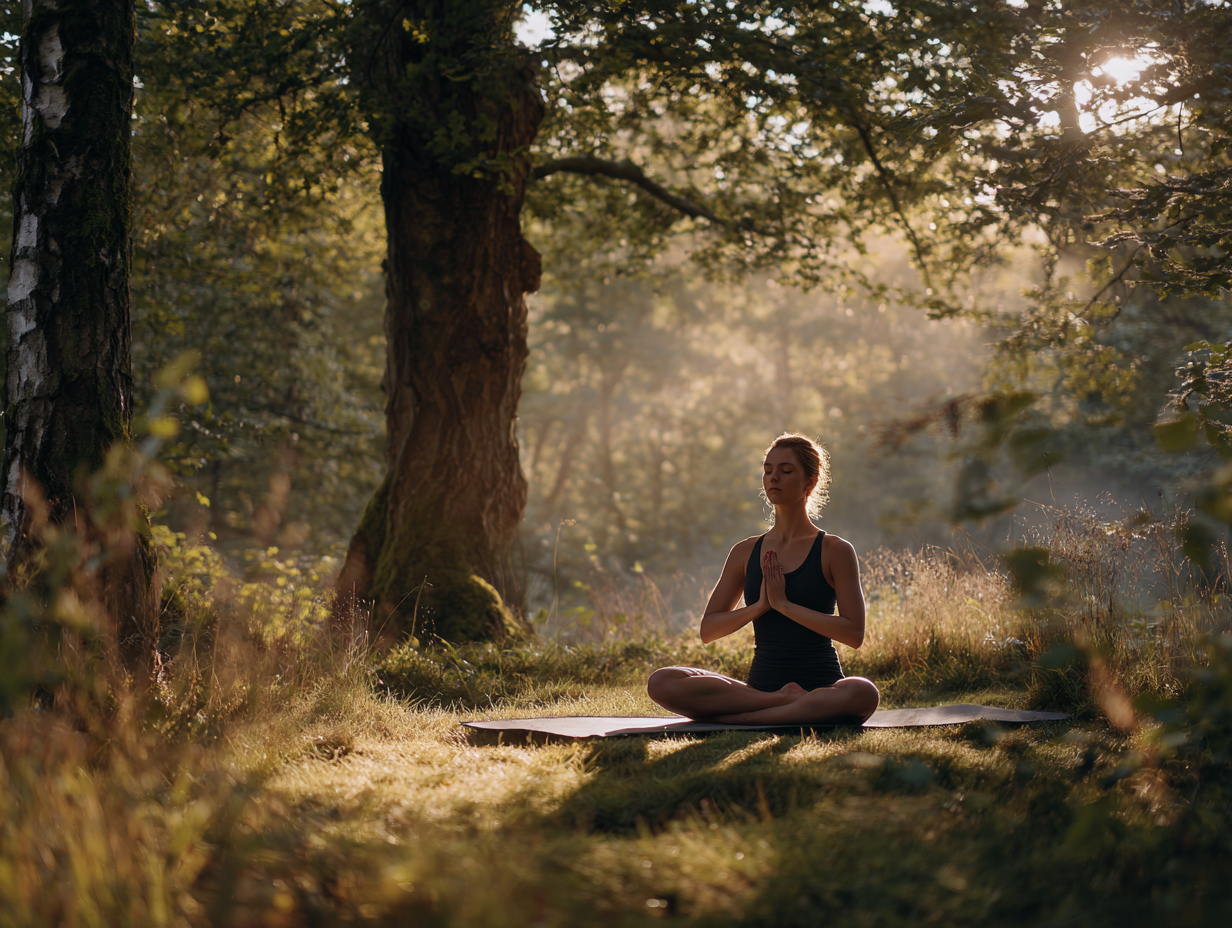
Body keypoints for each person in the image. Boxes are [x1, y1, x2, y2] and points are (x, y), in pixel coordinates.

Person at [647, 433, 880, 724]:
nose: (773, 478)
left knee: (863, 691)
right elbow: (709, 629)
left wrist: (785, 606)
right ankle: (780, 704)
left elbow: (853, 634)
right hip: (759, 689)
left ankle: (743, 720)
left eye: (786, 471)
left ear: (809, 482)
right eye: (768, 470)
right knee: (663, 680)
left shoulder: (834, 550)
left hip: (821, 687)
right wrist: (758, 607)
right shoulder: (745, 552)